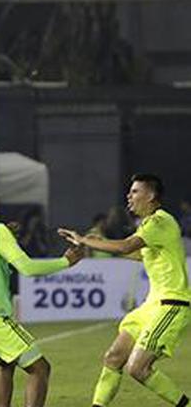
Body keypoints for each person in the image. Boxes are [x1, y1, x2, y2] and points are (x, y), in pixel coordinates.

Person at [59, 174, 191, 407]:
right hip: (152, 305)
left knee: (137, 368)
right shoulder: (151, 226)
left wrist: (88, 241)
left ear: (151, 196)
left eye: (135, 191)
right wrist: (94, 241)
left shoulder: (159, 221)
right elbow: (137, 254)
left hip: (172, 304)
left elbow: (125, 246)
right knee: (113, 357)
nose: (128, 196)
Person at [0, 182, 83, 407]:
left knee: (5, 363)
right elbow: (28, 268)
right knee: (40, 368)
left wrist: (4, 234)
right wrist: (66, 261)